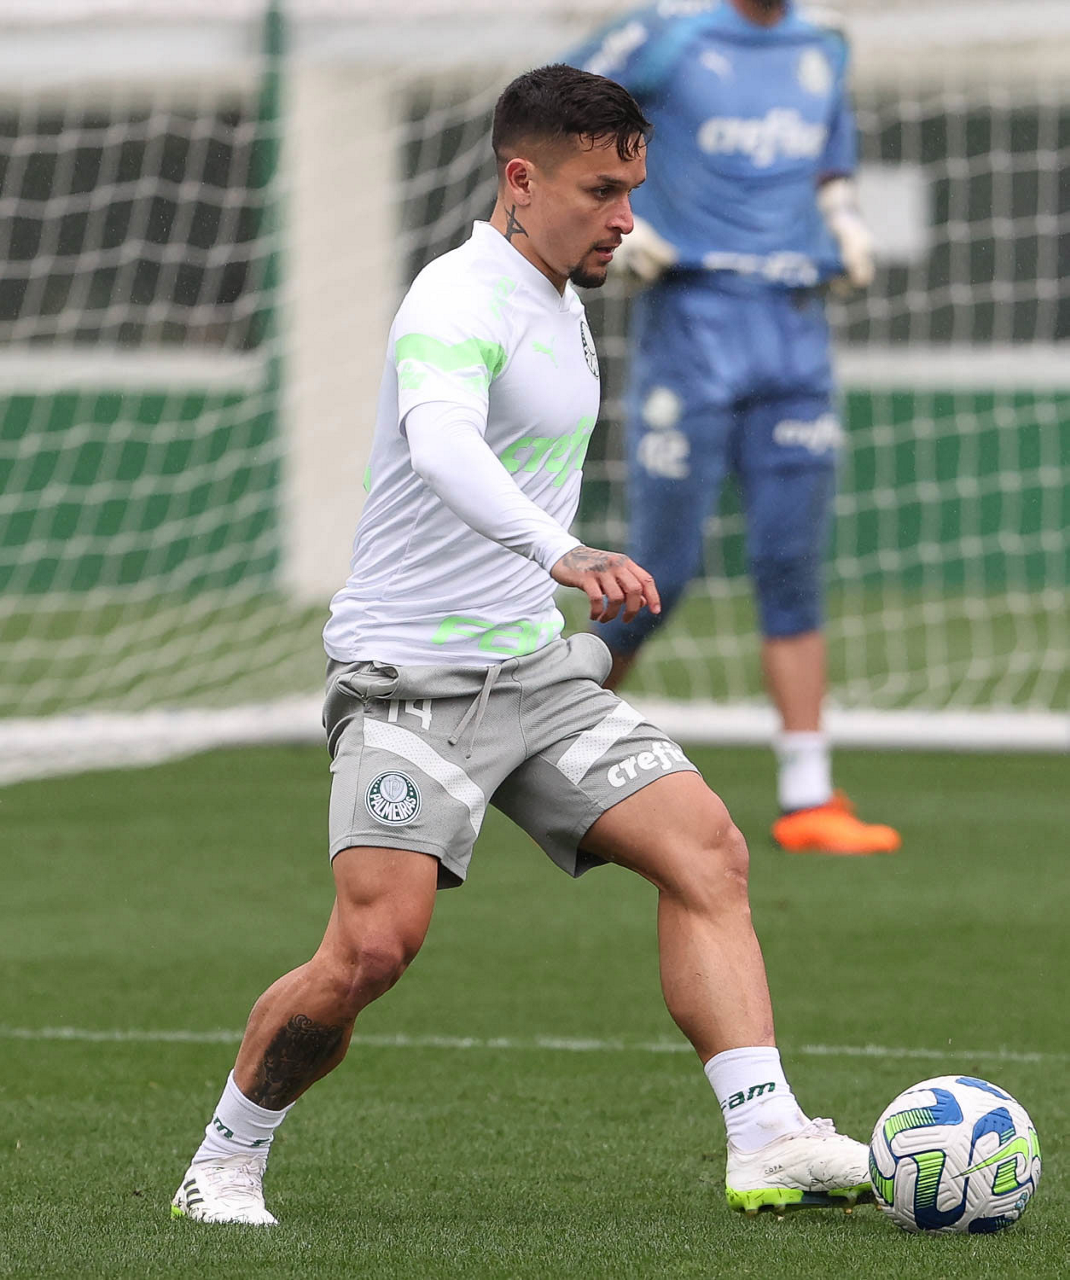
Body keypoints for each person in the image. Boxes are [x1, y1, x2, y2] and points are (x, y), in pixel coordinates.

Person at [171, 63, 871, 1227]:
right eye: (601, 191)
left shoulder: (560, 293)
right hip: (408, 683)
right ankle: (223, 1159)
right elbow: (443, 445)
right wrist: (562, 549)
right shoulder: (454, 300)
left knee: (706, 850)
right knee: (372, 948)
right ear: (519, 179)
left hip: (534, 673)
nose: (625, 218)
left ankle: (766, 1137)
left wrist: (541, 582)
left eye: (631, 190)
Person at [566, 0, 901, 855]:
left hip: (794, 330)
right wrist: (618, 217)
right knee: (662, 571)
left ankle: (808, 795)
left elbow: (829, 165)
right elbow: (555, 110)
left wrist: (843, 219)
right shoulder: (666, 33)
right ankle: (551, 741)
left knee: (791, 562)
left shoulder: (822, 42)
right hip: (693, 332)